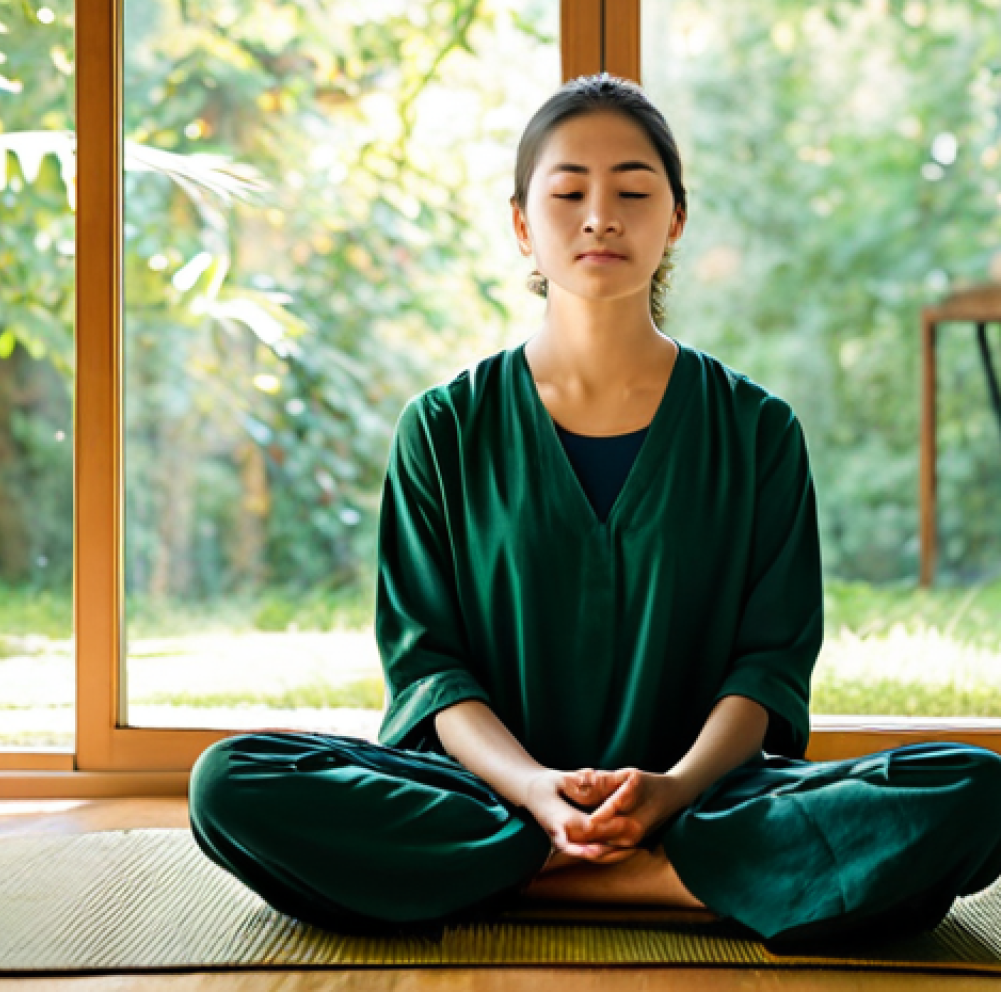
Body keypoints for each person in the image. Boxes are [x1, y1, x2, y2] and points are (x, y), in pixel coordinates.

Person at [187, 73, 1001, 949]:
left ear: (675, 220)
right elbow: (430, 671)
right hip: (488, 794)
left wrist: (674, 789)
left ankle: (514, 877)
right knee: (230, 782)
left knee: (975, 791)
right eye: (569, 191)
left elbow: (767, 670)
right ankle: (670, 884)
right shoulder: (443, 428)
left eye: (633, 192)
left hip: (708, 798)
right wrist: (538, 792)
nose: (600, 216)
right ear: (522, 224)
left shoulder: (757, 430)